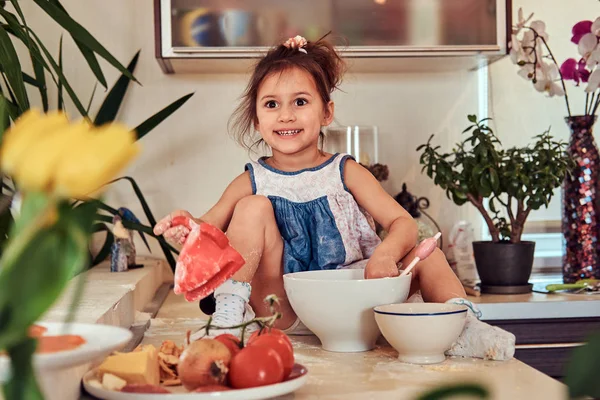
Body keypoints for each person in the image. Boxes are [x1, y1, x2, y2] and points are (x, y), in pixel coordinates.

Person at [154, 35, 515, 360]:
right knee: (252, 207)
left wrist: (386, 255)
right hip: (281, 308)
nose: (286, 115)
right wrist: (189, 227)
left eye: (300, 101)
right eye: (271, 105)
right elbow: (210, 228)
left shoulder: (346, 171)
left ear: (326, 112)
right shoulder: (251, 180)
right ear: (256, 120)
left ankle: (463, 327)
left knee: (429, 255)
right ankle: (229, 321)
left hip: (356, 306)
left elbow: (402, 222)